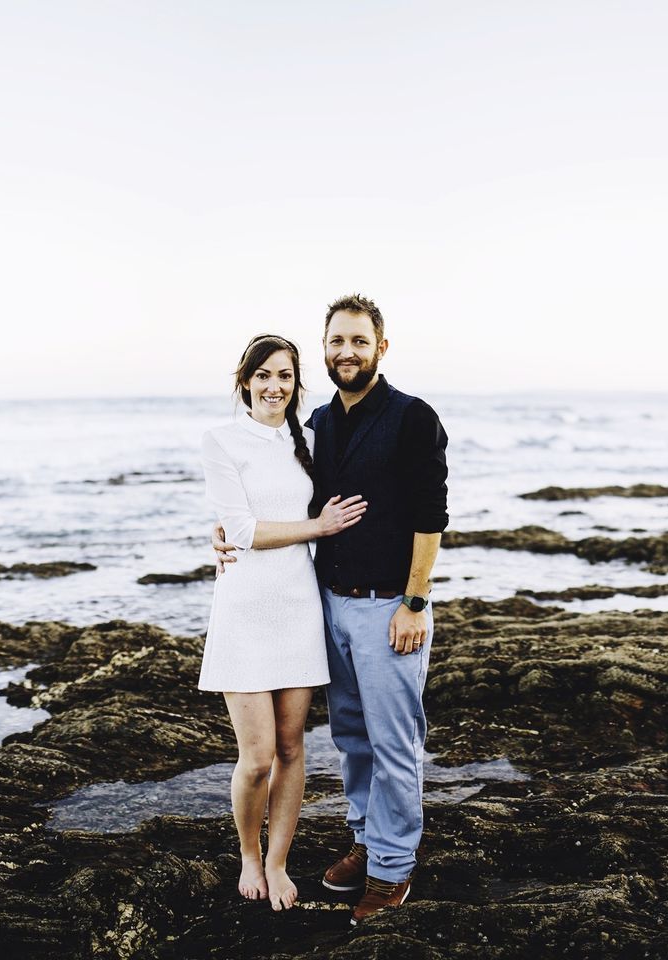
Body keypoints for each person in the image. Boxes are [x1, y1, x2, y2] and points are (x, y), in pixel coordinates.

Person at [215, 295, 449, 925]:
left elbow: (432, 518)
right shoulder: (316, 424)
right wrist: (227, 536)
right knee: (351, 738)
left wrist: (415, 602)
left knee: (395, 742)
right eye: (337, 342)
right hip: (325, 606)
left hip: (387, 610)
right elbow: (268, 494)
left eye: (359, 341)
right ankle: (368, 840)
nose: (347, 352)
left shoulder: (412, 418)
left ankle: (393, 870)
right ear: (325, 349)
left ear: (381, 347)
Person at [199, 333, 368, 912]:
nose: (275, 387)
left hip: (299, 607)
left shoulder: (312, 439)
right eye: (264, 375)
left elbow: (356, 499)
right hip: (245, 611)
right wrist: (314, 528)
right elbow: (242, 529)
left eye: (286, 377)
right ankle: (249, 853)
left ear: (297, 384)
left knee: (294, 748)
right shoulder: (220, 440)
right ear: (244, 380)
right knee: (258, 756)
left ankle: (278, 861)